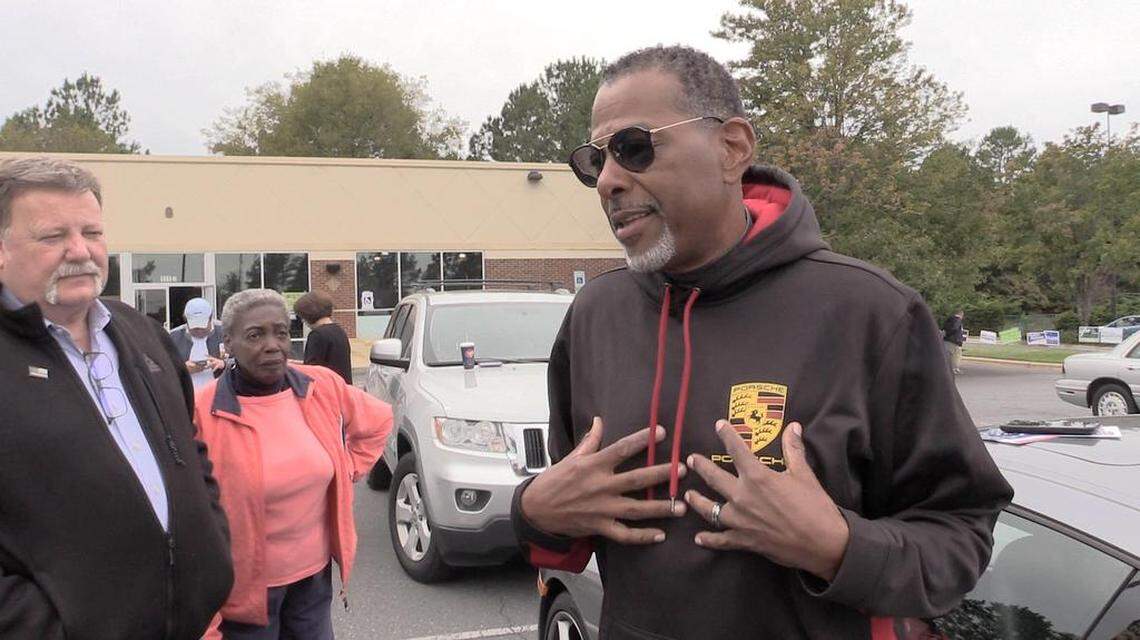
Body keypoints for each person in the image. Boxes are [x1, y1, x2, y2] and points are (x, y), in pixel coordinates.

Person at [510, 46, 1014, 639]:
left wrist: (837, 547)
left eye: (633, 147)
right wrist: (533, 510)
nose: (610, 181)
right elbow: (567, 516)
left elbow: (960, 533)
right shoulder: (597, 312)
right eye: (594, 162)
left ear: (732, 148)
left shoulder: (871, 313)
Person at [0, 156, 233, 639]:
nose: (79, 251)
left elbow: (190, 452)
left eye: (92, 232)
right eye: (52, 236)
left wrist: (213, 556)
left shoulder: (140, 331)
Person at [194, 288, 392, 639]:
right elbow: (186, 515)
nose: (273, 345)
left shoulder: (321, 386)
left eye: (281, 332)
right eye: (255, 335)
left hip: (313, 580)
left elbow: (377, 422)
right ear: (227, 342)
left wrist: (346, 471)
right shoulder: (200, 411)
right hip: (243, 593)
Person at [293, 290, 353, 384]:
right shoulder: (339, 331)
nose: (302, 321)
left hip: (326, 392)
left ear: (308, 314)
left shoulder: (317, 335)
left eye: (302, 317)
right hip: (343, 389)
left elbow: (311, 371)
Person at [171, 296, 227, 388]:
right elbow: (161, 368)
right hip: (187, 396)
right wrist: (181, 369)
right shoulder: (173, 337)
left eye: (202, 326)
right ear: (186, 320)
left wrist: (224, 364)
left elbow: (243, 362)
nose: (199, 330)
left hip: (219, 395)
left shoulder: (227, 333)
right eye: (195, 327)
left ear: (210, 318)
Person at [942, 309, 966, 374]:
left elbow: (944, 329)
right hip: (955, 341)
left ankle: (946, 368)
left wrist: (946, 335)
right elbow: (955, 328)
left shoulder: (949, 320)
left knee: (947, 355)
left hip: (947, 340)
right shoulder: (958, 320)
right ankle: (955, 369)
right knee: (956, 355)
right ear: (961, 314)